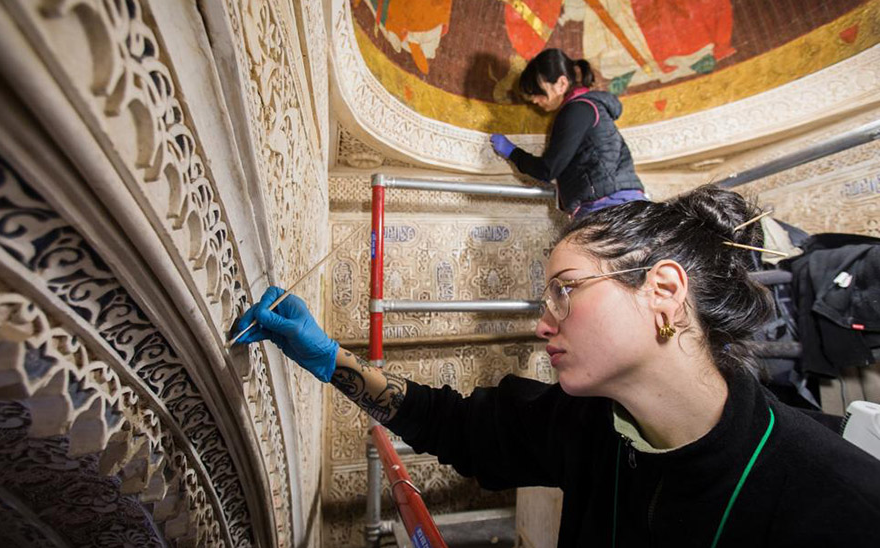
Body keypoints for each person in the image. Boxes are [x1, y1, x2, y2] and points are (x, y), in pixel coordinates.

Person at [233, 186, 880, 546]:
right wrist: (327, 359)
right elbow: (455, 426)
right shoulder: (590, 422)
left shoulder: (840, 500)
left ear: (662, 292)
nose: (545, 321)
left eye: (566, 289)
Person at [490, 48, 647, 218]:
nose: (535, 100)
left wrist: (512, 151)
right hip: (615, 202)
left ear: (561, 84)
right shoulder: (586, 107)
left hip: (610, 204)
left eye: (537, 91)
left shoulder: (577, 110)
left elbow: (548, 170)